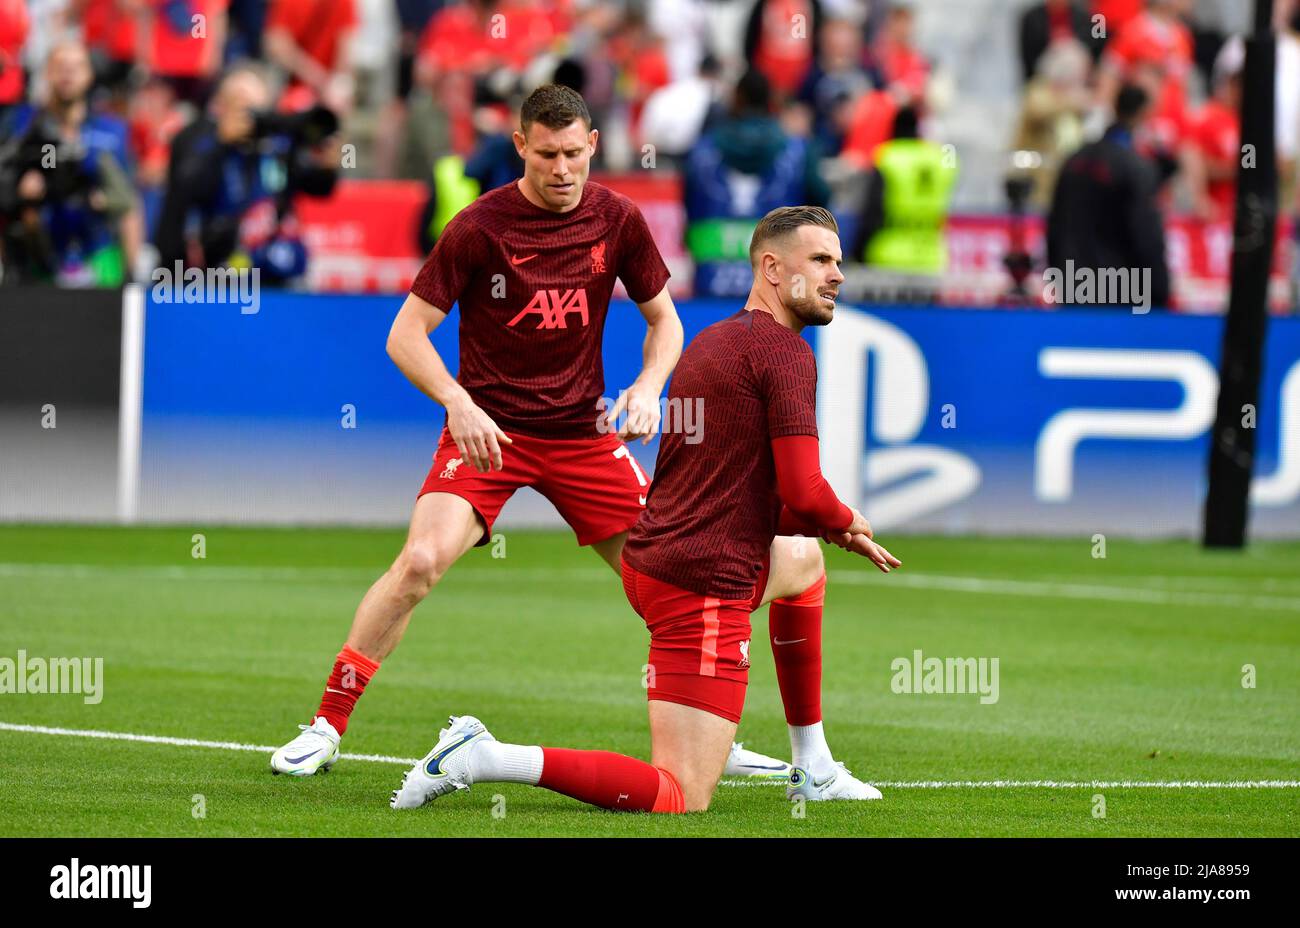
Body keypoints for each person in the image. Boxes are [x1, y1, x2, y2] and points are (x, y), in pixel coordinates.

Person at [389, 205, 901, 814]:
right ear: (771, 268)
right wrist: (848, 519)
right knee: (679, 794)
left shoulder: (714, 342)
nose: (836, 275)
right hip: (702, 585)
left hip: (650, 563)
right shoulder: (787, 356)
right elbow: (804, 492)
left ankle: (811, 762)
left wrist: (829, 532)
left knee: (804, 561)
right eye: (820, 261)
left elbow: (737, 493)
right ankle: (486, 755)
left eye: (837, 262)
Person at [0, 41, 142, 286]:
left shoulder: (111, 132)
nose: (68, 74)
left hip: (100, 256)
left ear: (89, 76)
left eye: (76, 67)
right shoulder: (22, 126)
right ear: (47, 73)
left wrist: (132, 272)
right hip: (40, 258)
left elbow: (130, 206)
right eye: (60, 67)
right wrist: (22, 191)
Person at [1047, 84, 1171, 310]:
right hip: (1122, 294)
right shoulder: (1136, 168)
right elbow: (1147, 235)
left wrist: (1058, 278)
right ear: (1145, 113)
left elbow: (1054, 226)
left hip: (1074, 287)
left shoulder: (1075, 160)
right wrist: (1160, 290)